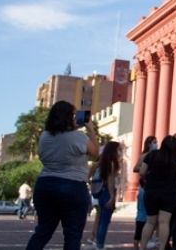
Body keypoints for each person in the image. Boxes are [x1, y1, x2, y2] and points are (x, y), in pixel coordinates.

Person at [25, 101, 99, 250]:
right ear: (68, 117)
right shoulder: (78, 137)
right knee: (72, 234)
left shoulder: (44, 136)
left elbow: (44, 154)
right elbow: (96, 153)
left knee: (43, 231)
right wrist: (90, 129)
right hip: (73, 186)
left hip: (45, 184)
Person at [138, 135, 176, 250]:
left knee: (150, 222)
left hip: (151, 192)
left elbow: (142, 172)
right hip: (169, 193)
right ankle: (162, 248)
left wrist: (148, 178)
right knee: (164, 222)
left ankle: (142, 247)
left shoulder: (152, 155)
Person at [92, 141, 122, 250]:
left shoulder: (102, 162)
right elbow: (110, 181)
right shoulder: (112, 163)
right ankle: (100, 245)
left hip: (101, 193)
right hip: (107, 192)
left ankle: (98, 243)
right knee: (104, 221)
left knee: (102, 220)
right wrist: (112, 196)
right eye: (119, 150)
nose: (120, 152)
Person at [133, 136, 157, 250]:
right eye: (153, 142)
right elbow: (136, 168)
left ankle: (147, 240)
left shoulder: (157, 155)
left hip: (152, 187)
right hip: (144, 187)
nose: (155, 144)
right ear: (148, 144)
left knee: (151, 215)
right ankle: (137, 241)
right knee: (142, 215)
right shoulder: (144, 156)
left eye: (156, 142)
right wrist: (145, 168)